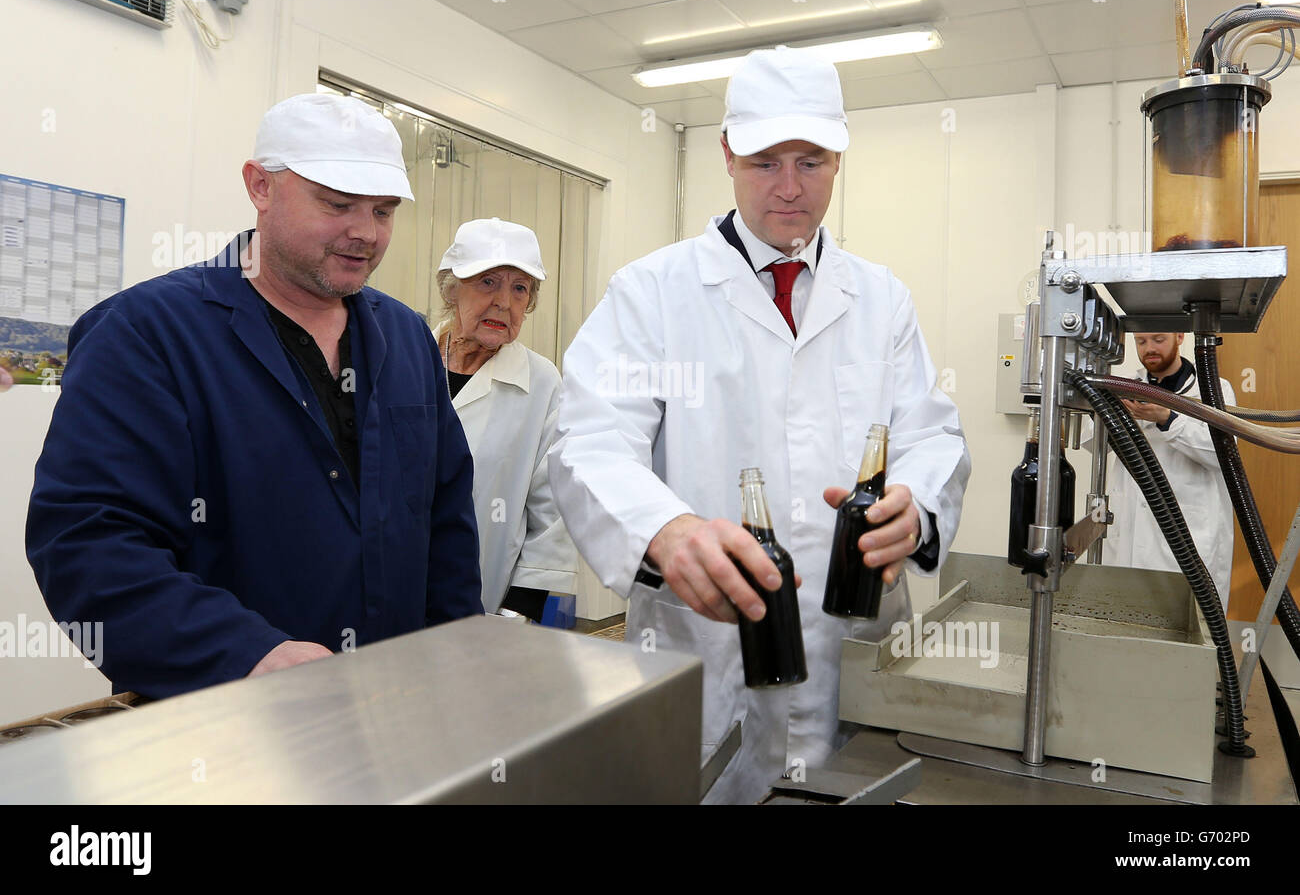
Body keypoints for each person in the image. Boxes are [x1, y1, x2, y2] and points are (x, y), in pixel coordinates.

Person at [549, 46, 971, 804]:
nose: (787, 189)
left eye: (810, 162)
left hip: (857, 661)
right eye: (763, 161)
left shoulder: (881, 300)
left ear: (839, 159)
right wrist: (665, 531)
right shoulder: (652, 293)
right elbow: (589, 443)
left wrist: (918, 502)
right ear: (725, 155)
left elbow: (933, 437)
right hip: (704, 662)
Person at [26, 93, 483, 699]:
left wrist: (454, 657)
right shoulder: (146, 334)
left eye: (383, 210)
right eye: (337, 204)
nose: (365, 233)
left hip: (391, 705)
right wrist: (244, 653)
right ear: (259, 186)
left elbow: (446, 519)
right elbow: (89, 543)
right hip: (216, 720)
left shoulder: (405, 337)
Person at [432, 217, 577, 618]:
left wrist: (520, 609)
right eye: (487, 282)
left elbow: (554, 510)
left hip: (488, 600)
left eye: (520, 289)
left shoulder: (542, 382)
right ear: (451, 287)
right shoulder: (405, 359)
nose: (504, 302)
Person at [1098, 332, 1235, 610]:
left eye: (1158, 339)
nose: (1149, 349)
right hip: (1130, 542)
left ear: (1179, 336)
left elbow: (1221, 454)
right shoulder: (1125, 388)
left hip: (1190, 541)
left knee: (1188, 634)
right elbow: (1092, 441)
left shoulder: (1213, 389)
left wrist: (1166, 418)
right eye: (1141, 341)